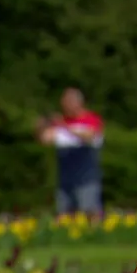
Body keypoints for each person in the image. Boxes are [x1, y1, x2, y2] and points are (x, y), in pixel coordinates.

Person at [38, 88, 105, 216]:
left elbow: (89, 136)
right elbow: (45, 139)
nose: (65, 107)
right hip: (65, 180)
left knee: (89, 214)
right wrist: (41, 125)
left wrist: (64, 126)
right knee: (64, 215)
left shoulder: (91, 119)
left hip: (86, 179)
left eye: (68, 103)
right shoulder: (61, 123)